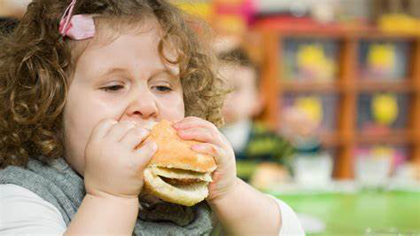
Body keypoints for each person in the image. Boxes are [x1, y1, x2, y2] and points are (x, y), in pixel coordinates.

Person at [0, 0, 304, 235]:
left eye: (162, 86)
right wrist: (111, 197)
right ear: (49, 102)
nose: (147, 105)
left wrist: (228, 191)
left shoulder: (187, 190)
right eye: (114, 86)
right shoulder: (22, 196)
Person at [218, 46, 321, 187]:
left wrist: (305, 137)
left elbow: (302, 169)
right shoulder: (205, 136)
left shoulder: (271, 138)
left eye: (236, 89)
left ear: (258, 100)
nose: (226, 97)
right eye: (217, 88)